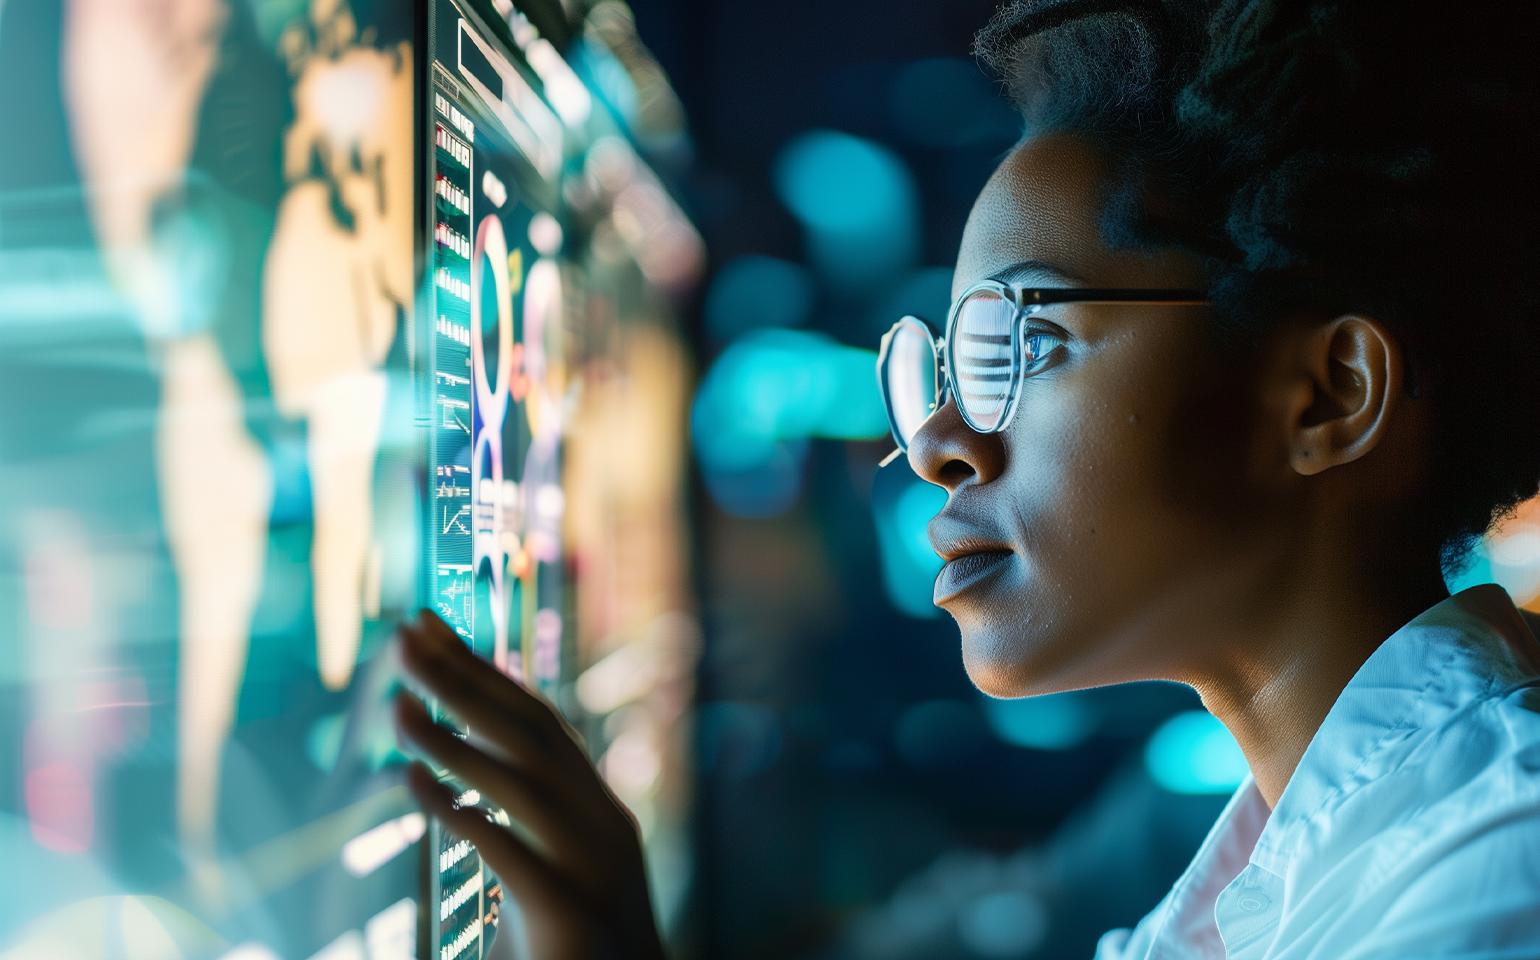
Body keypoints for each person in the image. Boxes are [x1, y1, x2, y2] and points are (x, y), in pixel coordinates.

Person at [393, 0, 1540, 956]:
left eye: (1021, 346)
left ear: (1328, 396)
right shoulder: (1269, 883)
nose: (938, 441)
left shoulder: (1490, 875)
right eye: (941, 366)